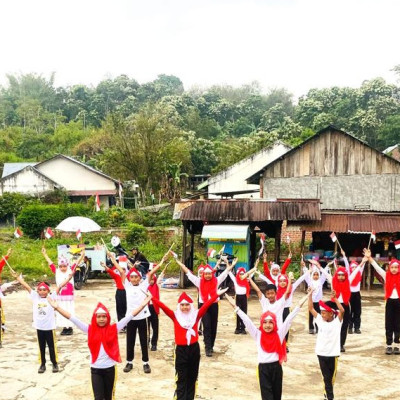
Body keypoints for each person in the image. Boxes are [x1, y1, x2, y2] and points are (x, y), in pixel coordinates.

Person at [47, 294, 152, 400]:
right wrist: (57, 308)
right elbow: (72, 318)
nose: (101, 319)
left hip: (110, 369)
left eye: (104, 316)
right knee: (98, 398)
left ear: (108, 317)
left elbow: (130, 316)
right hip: (96, 370)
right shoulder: (89, 329)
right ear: (95, 318)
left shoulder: (114, 329)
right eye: (99, 316)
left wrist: (142, 305)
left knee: (108, 397)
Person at [225, 291, 309, 400]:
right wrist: (235, 307)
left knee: (276, 396)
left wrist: (307, 296)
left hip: (276, 369)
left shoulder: (279, 334)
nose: (267, 325)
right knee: (267, 397)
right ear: (261, 323)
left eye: (270, 322)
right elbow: (247, 320)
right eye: (265, 322)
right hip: (263, 369)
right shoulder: (257, 334)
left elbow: (290, 318)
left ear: (274, 323)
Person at [152, 288, 228, 400]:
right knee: (181, 378)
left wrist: (216, 295)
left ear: (190, 305)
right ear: (179, 306)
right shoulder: (175, 315)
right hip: (181, 350)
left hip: (194, 349)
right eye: (182, 305)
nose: (184, 307)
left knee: (192, 377)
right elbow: (163, 307)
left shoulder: (196, 315)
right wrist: (152, 298)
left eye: (187, 305)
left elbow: (206, 305)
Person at [175, 254, 235, 356]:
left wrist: (231, 265)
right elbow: (188, 273)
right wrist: (180, 264)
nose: (208, 275)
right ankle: (208, 348)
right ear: (203, 274)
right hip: (204, 306)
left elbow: (225, 273)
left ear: (212, 274)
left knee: (213, 326)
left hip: (214, 305)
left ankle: (211, 345)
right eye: (206, 274)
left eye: (209, 274)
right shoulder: (199, 281)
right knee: (206, 326)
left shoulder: (216, 280)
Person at [112, 259, 160, 373]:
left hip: (142, 318)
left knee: (143, 340)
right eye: (132, 277)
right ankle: (129, 362)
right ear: (129, 279)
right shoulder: (127, 286)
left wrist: (162, 261)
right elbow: (122, 272)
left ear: (139, 278)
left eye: (136, 277)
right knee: (130, 340)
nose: (134, 279)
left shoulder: (143, 285)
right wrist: (113, 259)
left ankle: (145, 362)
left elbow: (151, 273)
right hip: (130, 318)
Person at [13, 273, 59, 373]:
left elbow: (60, 286)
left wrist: (68, 278)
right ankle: (42, 364)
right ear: (37, 291)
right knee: (41, 347)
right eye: (40, 290)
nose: (42, 292)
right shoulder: (35, 297)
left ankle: (54, 363)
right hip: (39, 327)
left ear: (48, 291)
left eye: (44, 290)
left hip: (50, 327)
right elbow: (26, 286)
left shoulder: (52, 297)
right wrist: (18, 278)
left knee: (52, 347)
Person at [308, 289, 344, 400]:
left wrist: (336, 299)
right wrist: (310, 295)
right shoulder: (319, 320)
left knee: (331, 378)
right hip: (321, 353)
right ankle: (330, 397)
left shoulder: (337, 322)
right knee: (326, 377)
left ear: (331, 313)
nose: (322, 315)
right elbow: (310, 308)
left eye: (324, 313)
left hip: (333, 355)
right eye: (321, 312)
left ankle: (327, 394)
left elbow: (342, 310)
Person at [41, 247, 85, 336]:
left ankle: (70, 327)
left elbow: (77, 262)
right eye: (61, 266)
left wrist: (82, 254)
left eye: (64, 266)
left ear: (67, 265)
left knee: (69, 310)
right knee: (61, 311)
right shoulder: (57, 271)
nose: (62, 268)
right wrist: (45, 254)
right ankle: (65, 327)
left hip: (69, 297)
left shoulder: (70, 270)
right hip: (60, 296)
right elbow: (50, 263)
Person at [367, 248, 400, 354]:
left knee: (398, 324)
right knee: (389, 324)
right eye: (392, 267)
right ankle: (389, 345)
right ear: (389, 268)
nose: (394, 269)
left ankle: (397, 345)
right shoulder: (386, 275)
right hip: (389, 302)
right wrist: (369, 258)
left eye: (396, 267)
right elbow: (376, 267)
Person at [228, 260, 257, 334]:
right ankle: (238, 328)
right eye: (240, 273)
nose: (241, 275)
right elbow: (229, 272)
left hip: (244, 297)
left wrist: (256, 264)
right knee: (238, 312)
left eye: (242, 273)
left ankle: (243, 328)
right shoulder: (235, 280)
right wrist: (228, 264)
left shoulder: (246, 280)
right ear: (238, 274)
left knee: (244, 313)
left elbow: (253, 272)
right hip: (238, 297)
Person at [147, 255, 169, 351]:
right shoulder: (145, 286)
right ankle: (146, 341)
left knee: (155, 327)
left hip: (155, 309)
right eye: (150, 279)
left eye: (153, 279)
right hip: (146, 308)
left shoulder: (157, 285)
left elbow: (161, 275)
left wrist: (165, 266)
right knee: (146, 327)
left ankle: (154, 343)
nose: (151, 281)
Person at [305, 259, 331, 334]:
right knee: (311, 315)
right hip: (311, 302)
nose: (316, 276)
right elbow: (306, 275)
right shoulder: (310, 281)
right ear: (312, 275)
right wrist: (304, 267)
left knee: (319, 315)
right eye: (314, 274)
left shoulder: (320, 281)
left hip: (318, 302)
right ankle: (311, 328)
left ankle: (318, 327)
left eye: (317, 275)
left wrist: (327, 267)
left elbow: (324, 274)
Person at [101, 253, 127, 324]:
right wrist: (105, 266)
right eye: (121, 269)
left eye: (124, 269)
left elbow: (122, 271)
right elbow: (110, 271)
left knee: (126, 308)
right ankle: (121, 324)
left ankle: (126, 323)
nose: (122, 270)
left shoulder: (130, 276)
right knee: (119, 309)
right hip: (119, 293)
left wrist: (112, 257)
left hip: (126, 293)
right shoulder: (117, 276)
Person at [348, 258, 366, 334]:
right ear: (350, 268)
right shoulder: (349, 275)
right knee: (349, 311)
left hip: (357, 295)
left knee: (357, 312)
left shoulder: (359, 273)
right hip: (350, 295)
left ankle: (357, 328)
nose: (354, 268)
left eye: (356, 267)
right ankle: (350, 327)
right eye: (353, 267)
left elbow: (362, 266)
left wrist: (365, 259)